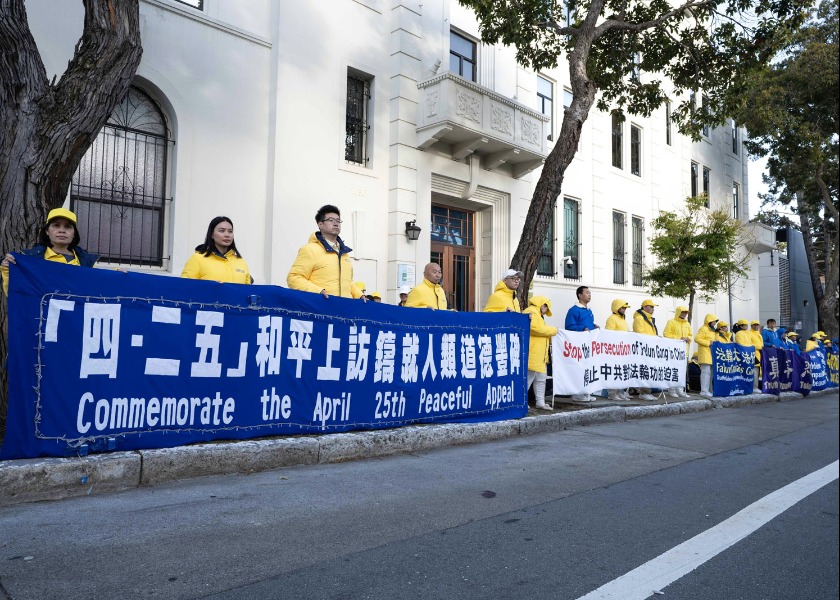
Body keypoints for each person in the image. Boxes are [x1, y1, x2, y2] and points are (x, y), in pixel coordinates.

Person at [2, 208, 99, 295]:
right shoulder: (29, 259)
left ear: (74, 234)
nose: (62, 230)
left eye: (68, 226)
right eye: (56, 225)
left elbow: (96, 292)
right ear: (47, 231)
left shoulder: (88, 263)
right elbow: (15, 292)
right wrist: (8, 270)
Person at [287, 205, 365, 299]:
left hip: (344, 309)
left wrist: (359, 295)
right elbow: (294, 278)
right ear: (320, 224)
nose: (336, 223)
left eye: (338, 220)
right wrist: (318, 291)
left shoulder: (345, 254)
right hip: (321, 308)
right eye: (331, 220)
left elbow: (348, 282)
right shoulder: (309, 250)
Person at [181, 216, 251, 284]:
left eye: (230, 231)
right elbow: (184, 288)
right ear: (211, 234)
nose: (227, 235)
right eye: (222, 231)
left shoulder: (241, 262)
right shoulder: (197, 259)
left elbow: (249, 292)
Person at [564, 286, 598, 402]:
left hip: (588, 346)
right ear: (580, 295)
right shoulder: (573, 310)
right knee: (578, 369)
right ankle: (576, 393)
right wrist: (582, 328)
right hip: (578, 346)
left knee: (587, 368)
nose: (589, 294)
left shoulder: (589, 311)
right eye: (587, 292)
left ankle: (585, 392)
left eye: (590, 292)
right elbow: (569, 327)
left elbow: (589, 325)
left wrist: (594, 326)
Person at [523, 295, 557, 411]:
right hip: (533, 352)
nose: (546, 311)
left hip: (541, 354)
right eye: (546, 308)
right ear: (543, 305)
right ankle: (522, 402)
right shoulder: (530, 311)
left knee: (541, 379)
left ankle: (540, 402)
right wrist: (554, 331)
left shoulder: (538, 314)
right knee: (528, 378)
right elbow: (535, 328)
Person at [632, 299, 659, 400]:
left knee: (649, 371)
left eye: (653, 307)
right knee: (645, 371)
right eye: (651, 307)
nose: (653, 309)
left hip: (650, 349)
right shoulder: (639, 318)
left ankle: (648, 391)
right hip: (643, 349)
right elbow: (640, 333)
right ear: (644, 307)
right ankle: (643, 392)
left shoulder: (650, 319)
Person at [605, 299, 632, 400]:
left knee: (621, 371)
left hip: (623, 350)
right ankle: (612, 393)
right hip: (615, 350)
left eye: (625, 308)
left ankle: (620, 392)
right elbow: (609, 333)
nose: (624, 309)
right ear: (616, 307)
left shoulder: (622, 319)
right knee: (615, 372)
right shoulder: (611, 318)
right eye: (622, 307)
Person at [663, 305, 692, 398]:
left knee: (682, 371)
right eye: (683, 312)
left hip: (684, 351)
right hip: (673, 351)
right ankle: (671, 389)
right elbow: (666, 334)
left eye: (686, 313)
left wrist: (688, 338)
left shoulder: (687, 324)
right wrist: (679, 339)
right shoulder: (671, 322)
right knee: (673, 370)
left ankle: (680, 390)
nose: (684, 314)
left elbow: (690, 335)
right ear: (678, 312)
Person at [694, 313, 719, 397]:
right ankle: (704, 391)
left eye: (715, 321)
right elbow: (697, 338)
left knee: (710, 373)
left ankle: (709, 390)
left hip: (711, 354)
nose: (715, 323)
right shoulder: (703, 328)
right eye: (713, 321)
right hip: (705, 353)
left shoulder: (713, 330)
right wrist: (708, 343)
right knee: (706, 372)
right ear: (709, 321)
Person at [734, 318, 761, 393]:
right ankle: (750, 387)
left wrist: (751, 346)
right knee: (748, 372)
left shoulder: (747, 333)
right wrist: (751, 346)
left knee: (755, 372)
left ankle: (754, 387)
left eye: (746, 325)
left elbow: (750, 342)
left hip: (750, 353)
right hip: (745, 354)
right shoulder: (739, 333)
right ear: (741, 326)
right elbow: (740, 343)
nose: (746, 326)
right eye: (745, 325)